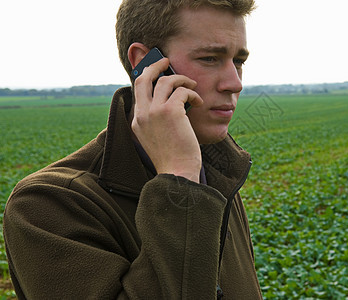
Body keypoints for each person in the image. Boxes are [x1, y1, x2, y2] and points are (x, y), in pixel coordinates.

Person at [3, 0, 263, 299]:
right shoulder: (47, 205)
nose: (234, 83)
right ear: (146, 64)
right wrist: (179, 179)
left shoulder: (217, 170)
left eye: (238, 61)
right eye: (209, 58)